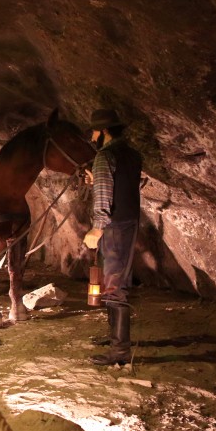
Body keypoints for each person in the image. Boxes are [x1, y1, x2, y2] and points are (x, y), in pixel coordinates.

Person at [83, 108, 143, 366]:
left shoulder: (104, 156)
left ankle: (119, 352)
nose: (93, 136)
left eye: (95, 131)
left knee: (114, 286)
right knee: (113, 282)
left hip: (113, 227)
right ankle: (114, 338)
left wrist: (97, 228)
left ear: (104, 132)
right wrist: (97, 180)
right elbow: (124, 185)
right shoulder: (132, 154)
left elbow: (105, 198)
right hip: (129, 223)